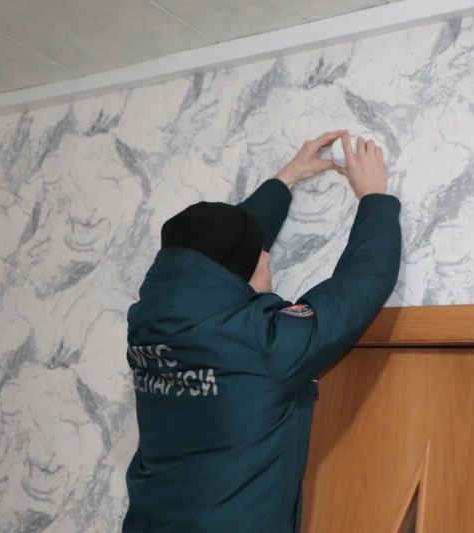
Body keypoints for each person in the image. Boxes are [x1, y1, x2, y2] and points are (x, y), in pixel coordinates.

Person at [122, 130, 402, 532]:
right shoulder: (265, 341)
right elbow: (360, 284)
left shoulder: (146, 329)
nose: (268, 257)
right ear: (243, 274)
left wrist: (286, 178)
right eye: (261, 256)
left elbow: (210, 246)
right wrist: (374, 197)